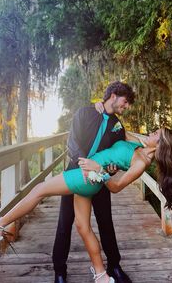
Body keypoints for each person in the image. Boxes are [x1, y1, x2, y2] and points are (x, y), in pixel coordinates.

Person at [0, 127, 172, 283]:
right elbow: (117, 132)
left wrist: (99, 169)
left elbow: (115, 187)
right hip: (90, 180)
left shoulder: (142, 162)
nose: (151, 132)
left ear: (160, 145)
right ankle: (101, 275)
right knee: (83, 227)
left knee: (38, 191)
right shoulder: (139, 145)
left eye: (156, 134)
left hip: (86, 176)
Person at [53, 81, 135, 283]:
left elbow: (116, 155)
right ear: (114, 95)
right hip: (75, 174)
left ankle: (114, 266)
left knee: (105, 221)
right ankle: (60, 271)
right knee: (65, 223)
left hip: (99, 179)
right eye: (125, 102)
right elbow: (72, 142)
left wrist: (112, 169)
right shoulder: (84, 113)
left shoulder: (118, 128)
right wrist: (83, 164)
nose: (126, 107)